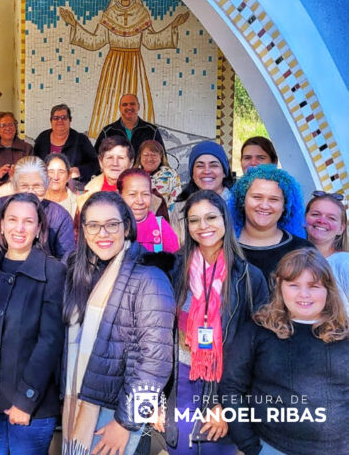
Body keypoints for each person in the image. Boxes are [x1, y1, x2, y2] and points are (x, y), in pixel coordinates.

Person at [61, 191, 174, 455]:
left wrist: (125, 423)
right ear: (83, 231)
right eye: (93, 225)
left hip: (117, 414)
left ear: (126, 227)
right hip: (80, 405)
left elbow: (155, 361)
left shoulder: (149, 277)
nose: (103, 233)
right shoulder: (79, 275)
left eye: (112, 224)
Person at [155, 190, 268, 454]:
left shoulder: (249, 278)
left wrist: (230, 405)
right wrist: (156, 397)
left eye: (210, 217)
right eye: (194, 220)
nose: (203, 226)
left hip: (225, 385)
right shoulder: (173, 270)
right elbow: (156, 336)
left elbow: (259, 347)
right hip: (180, 381)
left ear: (225, 220)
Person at [220, 248, 349, 455]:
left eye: (314, 286)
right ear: (279, 286)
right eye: (293, 285)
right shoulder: (258, 331)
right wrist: (251, 446)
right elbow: (231, 388)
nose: (303, 294)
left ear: (328, 289)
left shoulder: (345, 335)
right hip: (271, 447)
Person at [0, 194, 66, 454]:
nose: (19, 228)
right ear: (0, 225)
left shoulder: (53, 271)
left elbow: (50, 341)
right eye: (12, 220)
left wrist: (25, 400)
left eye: (28, 221)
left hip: (31, 404)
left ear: (39, 229)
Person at [59, 0, 189, 138]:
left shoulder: (141, 13)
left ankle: (140, 135)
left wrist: (173, 26)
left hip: (135, 63)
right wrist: (74, 24)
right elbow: (95, 41)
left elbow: (151, 41)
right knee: (110, 101)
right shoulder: (110, 14)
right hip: (114, 64)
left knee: (134, 99)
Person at [0, 156, 76, 264]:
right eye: (24, 186)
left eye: (37, 186)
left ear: (46, 185)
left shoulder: (59, 216)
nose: (30, 192)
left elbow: (67, 263)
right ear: (14, 185)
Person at [230, 164, 312, 284]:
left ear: (285, 206)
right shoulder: (224, 246)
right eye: (257, 197)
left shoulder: (302, 250)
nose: (264, 206)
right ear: (242, 200)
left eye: (273, 199)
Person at [170, 141, 235, 244]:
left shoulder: (238, 205)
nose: (206, 171)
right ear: (193, 173)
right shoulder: (180, 209)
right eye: (200, 166)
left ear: (224, 172)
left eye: (213, 165)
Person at [32, 103, 98, 183]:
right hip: (46, 185)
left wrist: (79, 170)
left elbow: (95, 163)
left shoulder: (81, 140)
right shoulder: (42, 138)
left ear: (70, 120)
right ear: (51, 121)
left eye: (64, 118)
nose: (60, 121)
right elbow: (34, 161)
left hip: (73, 187)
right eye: (56, 118)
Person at [118, 168, 179, 253]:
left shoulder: (162, 229)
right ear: (119, 196)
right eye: (132, 194)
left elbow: (175, 262)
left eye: (145, 194)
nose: (140, 201)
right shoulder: (112, 227)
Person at [304, 191, 349, 296]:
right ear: (304, 218)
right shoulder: (293, 259)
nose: (322, 221)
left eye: (331, 218)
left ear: (341, 229)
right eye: (315, 214)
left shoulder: (345, 263)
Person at [94, 94, 166, 156]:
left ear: (138, 106)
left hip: (144, 172)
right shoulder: (108, 131)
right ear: (120, 108)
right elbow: (96, 157)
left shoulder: (152, 130)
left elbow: (162, 157)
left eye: (132, 104)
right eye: (125, 105)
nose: (129, 107)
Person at [0, 111, 33, 195]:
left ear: (15, 127)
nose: (8, 128)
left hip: (21, 195)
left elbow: (34, 174)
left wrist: (19, 173)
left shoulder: (27, 148)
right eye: (3, 125)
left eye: (11, 125)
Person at [77, 134, 134, 210]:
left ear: (131, 163)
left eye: (121, 158)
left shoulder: (143, 189)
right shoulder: (88, 192)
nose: (115, 163)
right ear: (100, 162)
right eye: (110, 157)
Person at [135, 139, 182, 208]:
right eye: (145, 155)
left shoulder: (171, 175)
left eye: (153, 155)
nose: (149, 159)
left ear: (161, 157)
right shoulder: (131, 176)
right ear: (140, 157)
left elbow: (176, 200)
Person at [44, 152, 78, 218]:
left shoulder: (77, 202)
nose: (55, 177)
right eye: (51, 172)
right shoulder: (36, 199)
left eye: (61, 172)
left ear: (68, 176)